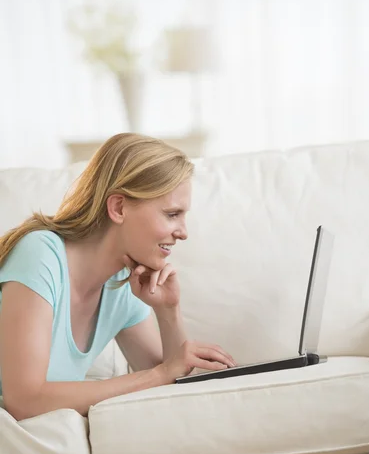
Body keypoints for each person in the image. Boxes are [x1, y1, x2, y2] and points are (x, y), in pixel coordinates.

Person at [0, 133, 236, 421]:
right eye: (172, 214)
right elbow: (24, 400)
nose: (183, 232)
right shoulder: (39, 254)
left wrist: (168, 311)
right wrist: (160, 373)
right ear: (118, 208)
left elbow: (171, 387)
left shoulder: (120, 284)